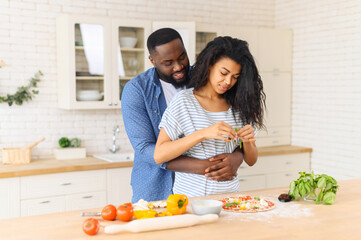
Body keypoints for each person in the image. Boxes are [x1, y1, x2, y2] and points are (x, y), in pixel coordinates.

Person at [121, 28, 244, 203]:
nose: (178, 67)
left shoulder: (204, 77)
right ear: (152, 61)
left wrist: (237, 157)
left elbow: (235, 122)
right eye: (168, 62)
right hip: (155, 188)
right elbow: (145, 149)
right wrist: (205, 167)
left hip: (204, 191)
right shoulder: (137, 90)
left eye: (182, 57)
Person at [154, 36, 266, 197]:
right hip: (190, 199)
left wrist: (248, 142)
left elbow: (251, 160)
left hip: (230, 198)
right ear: (210, 65)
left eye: (235, 77)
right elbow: (159, 155)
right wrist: (203, 133)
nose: (228, 81)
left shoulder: (239, 105)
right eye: (224, 73)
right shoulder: (184, 101)